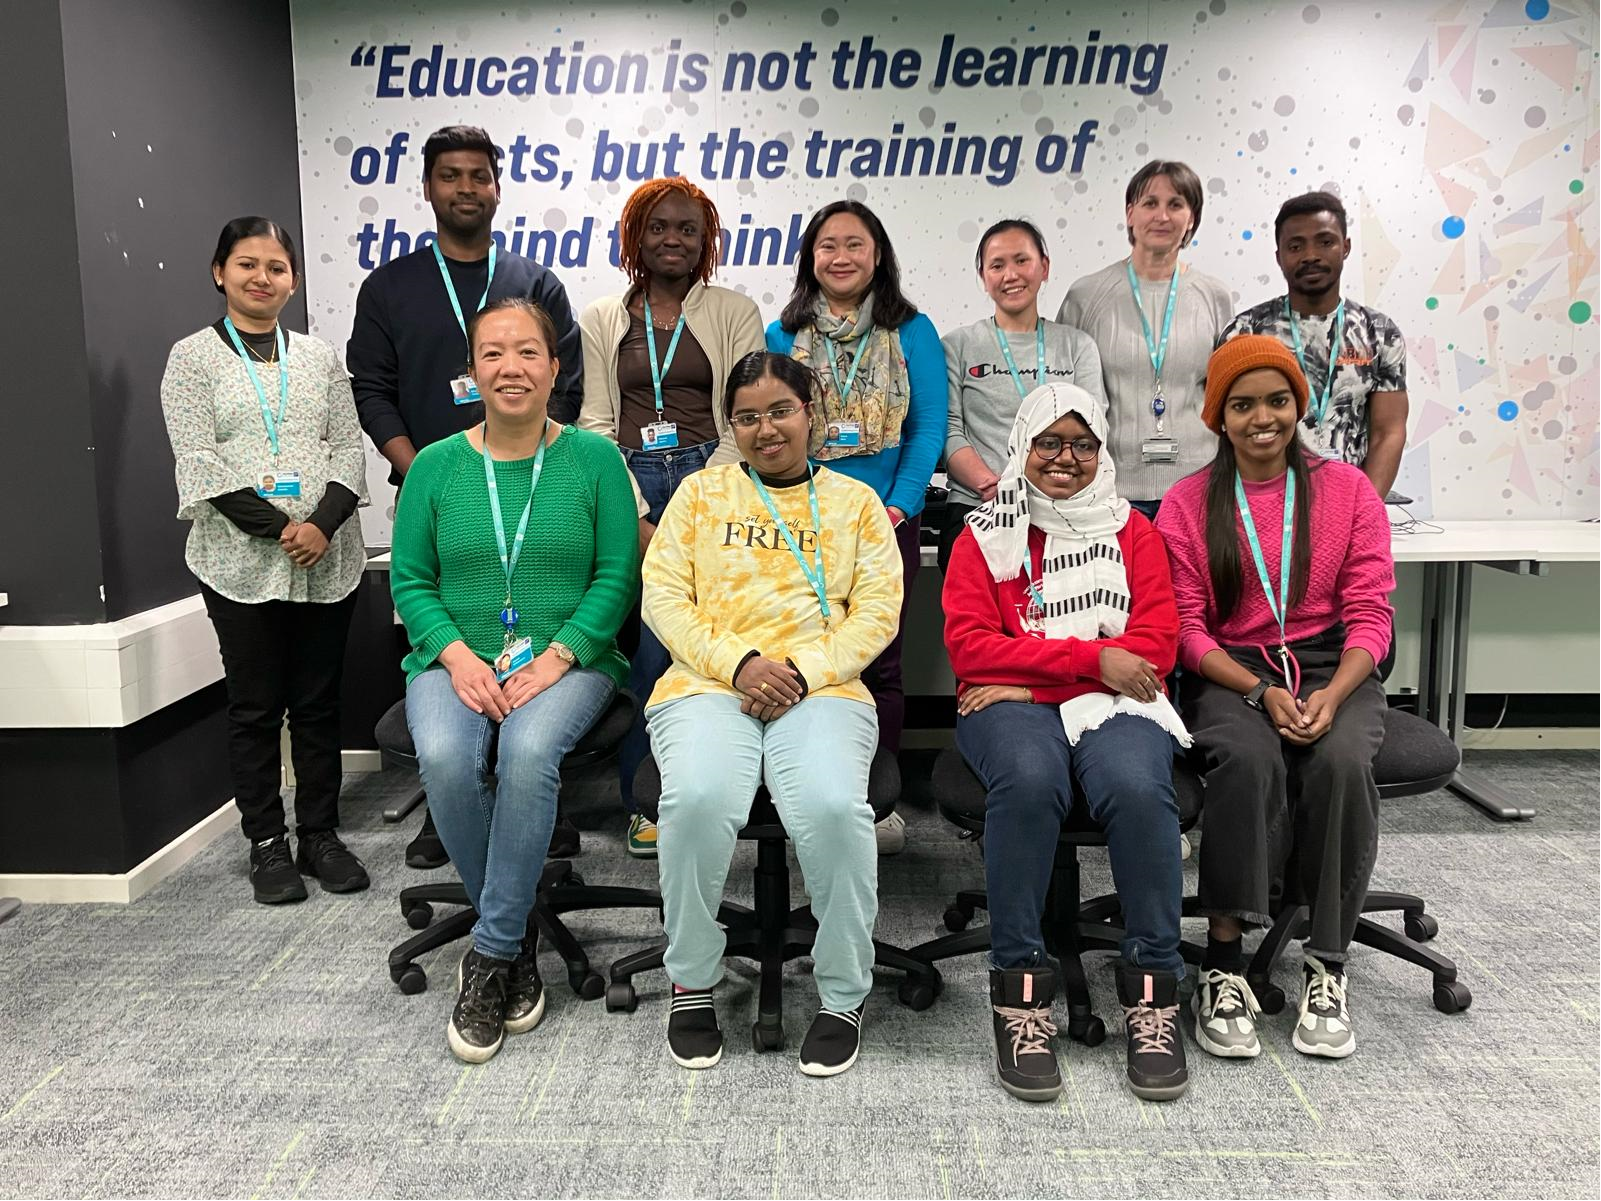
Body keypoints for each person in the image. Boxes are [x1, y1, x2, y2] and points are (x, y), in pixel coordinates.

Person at [641, 351, 902, 1077]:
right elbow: (662, 596)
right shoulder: (698, 495)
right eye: (747, 416)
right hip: (707, 682)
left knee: (829, 804)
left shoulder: (855, 505)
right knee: (692, 799)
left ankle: (843, 992)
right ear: (732, 424)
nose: (765, 429)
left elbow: (877, 612)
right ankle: (692, 979)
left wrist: (797, 669)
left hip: (821, 687)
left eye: (780, 411)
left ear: (809, 414)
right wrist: (738, 665)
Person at [391, 298, 636, 1064]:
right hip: (453, 655)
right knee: (442, 754)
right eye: (492, 353)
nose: (510, 367)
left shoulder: (596, 460)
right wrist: (457, 657)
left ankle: (492, 952)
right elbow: (409, 579)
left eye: (527, 352)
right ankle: (517, 936)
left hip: (573, 657)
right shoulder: (434, 465)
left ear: (555, 367)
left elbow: (616, 573)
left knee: (528, 753)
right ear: (471, 371)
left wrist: (557, 655)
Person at [943, 382, 1190, 1103]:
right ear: (1021, 447)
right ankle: (1020, 992)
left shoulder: (1132, 532)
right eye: (1048, 441)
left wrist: (1029, 679)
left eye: (1082, 443)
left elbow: (1152, 652)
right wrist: (1088, 661)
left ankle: (1153, 995)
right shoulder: (986, 533)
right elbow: (968, 648)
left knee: (1141, 790)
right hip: (1035, 698)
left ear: (1101, 451)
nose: (1064, 458)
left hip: (1099, 697)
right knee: (1026, 780)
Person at [348, 124, 585, 868]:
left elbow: (568, 387)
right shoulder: (389, 286)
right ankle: (449, 807)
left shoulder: (534, 282)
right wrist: (424, 471)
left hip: (535, 494)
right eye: (449, 176)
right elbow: (373, 390)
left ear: (496, 187)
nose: (464, 188)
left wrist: (535, 466)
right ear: (427, 188)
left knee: (538, 631)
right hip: (436, 488)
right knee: (447, 636)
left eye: (478, 176)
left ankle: (541, 803)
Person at [1155, 335, 1394, 1062]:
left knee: (1342, 759)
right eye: (1243, 403)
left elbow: (1371, 614)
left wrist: (1334, 691)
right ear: (1217, 416)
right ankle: (1222, 963)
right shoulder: (1188, 501)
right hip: (1232, 667)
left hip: (1332, 662)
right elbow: (1186, 629)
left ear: (1298, 405)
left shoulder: (1348, 491)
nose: (1263, 417)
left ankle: (1328, 959)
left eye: (1277, 400)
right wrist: (1257, 688)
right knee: (1245, 759)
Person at [160, 216, 370, 906]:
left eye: (276, 267)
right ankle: (266, 844)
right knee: (255, 707)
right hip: (237, 563)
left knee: (316, 705)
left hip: (325, 555)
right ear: (219, 272)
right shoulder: (192, 358)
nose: (262, 278)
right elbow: (198, 460)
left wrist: (321, 525)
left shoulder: (317, 358)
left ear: (293, 280)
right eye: (247, 264)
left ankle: (320, 835)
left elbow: (346, 449)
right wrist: (283, 528)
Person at [576, 176, 765, 858]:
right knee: (640, 650)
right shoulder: (601, 317)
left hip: (711, 480)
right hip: (625, 481)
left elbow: (738, 420)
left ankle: (712, 793)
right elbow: (595, 424)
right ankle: (643, 802)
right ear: (635, 236)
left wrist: (687, 513)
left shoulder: (734, 310)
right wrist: (638, 516)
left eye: (688, 228)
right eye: (658, 227)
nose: (673, 240)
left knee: (704, 645)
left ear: (706, 238)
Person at [767, 200, 945, 854]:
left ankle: (878, 798)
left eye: (855, 244)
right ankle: (804, 789)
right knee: (804, 656)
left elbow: (926, 428)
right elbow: (771, 428)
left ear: (877, 255)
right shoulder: (782, 334)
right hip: (802, 521)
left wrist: (897, 504)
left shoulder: (913, 330)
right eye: (827, 245)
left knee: (880, 664)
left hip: (884, 519)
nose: (840, 257)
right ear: (810, 257)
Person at [1058, 160, 1233, 519]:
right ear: (1130, 214)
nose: (1162, 216)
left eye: (1176, 204)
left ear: (1192, 219)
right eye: (1150, 203)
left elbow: (1228, 395)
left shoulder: (1215, 296)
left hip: (1199, 488)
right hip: (1110, 491)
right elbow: (1064, 395)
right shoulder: (1087, 296)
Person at [941, 219, 1106, 571]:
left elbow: (1093, 428)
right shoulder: (958, 346)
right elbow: (949, 428)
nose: (1010, 274)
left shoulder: (1077, 346)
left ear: (1043, 268)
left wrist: (1043, 489)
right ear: (983, 276)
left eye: (1022, 260)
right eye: (997, 265)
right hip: (979, 506)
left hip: (1065, 509)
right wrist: (995, 487)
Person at [1221, 190, 1409, 497]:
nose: (1310, 255)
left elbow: (1388, 432)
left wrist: (1365, 510)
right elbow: (1229, 428)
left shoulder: (1379, 333)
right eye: (1296, 246)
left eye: (1325, 241)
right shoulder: (1245, 333)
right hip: (1265, 503)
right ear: (1279, 256)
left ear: (1345, 247)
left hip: (1351, 501)